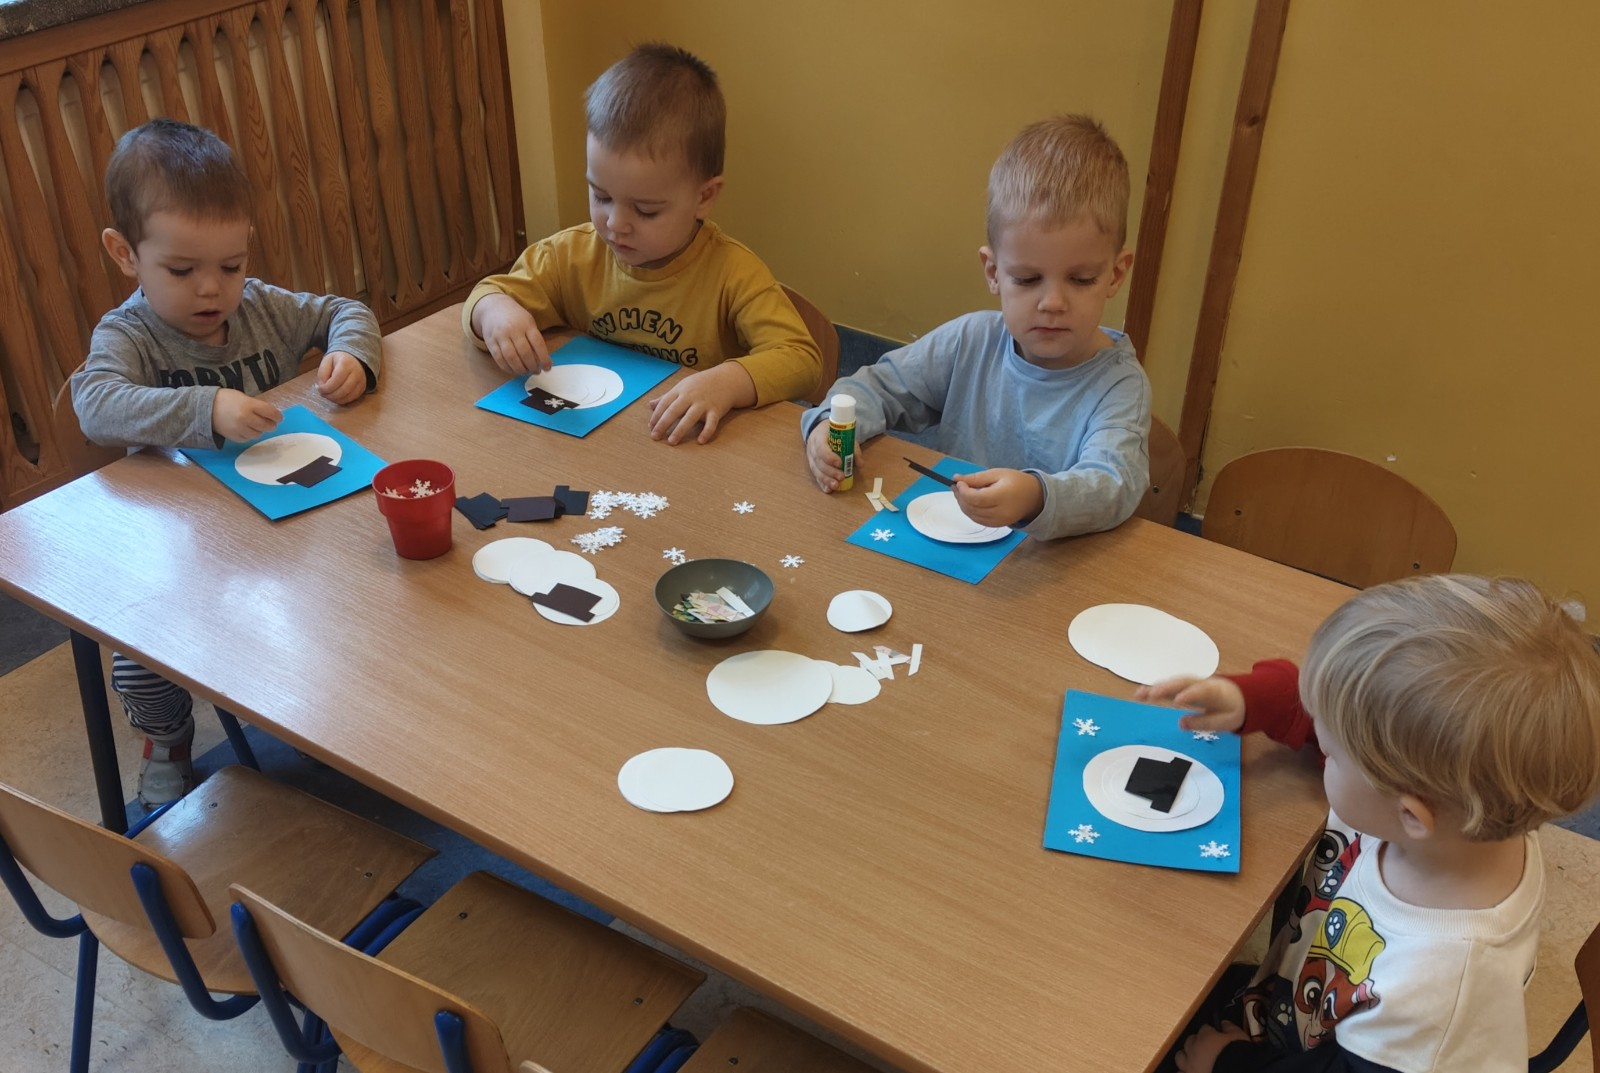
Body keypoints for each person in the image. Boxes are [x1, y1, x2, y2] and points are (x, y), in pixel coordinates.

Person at [1137, 575, 1600, 1073]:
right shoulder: (1472, 812)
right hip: (1304, 1002)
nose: (1321, 746)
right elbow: (1369, 727)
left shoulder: (1435, 990)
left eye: (1332, 753)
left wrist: (1230, 1064)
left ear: (1411, 812)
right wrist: (1252, 700)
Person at [70, 118, 382, 806]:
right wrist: (206, 407)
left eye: (231, 267)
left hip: (286, 524)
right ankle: (168, 739)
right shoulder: (128, 333)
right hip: (183, 546)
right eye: (182, 271)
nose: (211, 290)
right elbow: (94, 404)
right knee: (142, 658)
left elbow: (344, 309)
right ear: (125, 254)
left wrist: (351, 355)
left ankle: (321, 708)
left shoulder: (262, 308)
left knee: (356, 590)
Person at [799, 114, 1150, 539]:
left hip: (1047, 567)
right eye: (1027, 279)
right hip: (951, 547)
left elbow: (1114, 484)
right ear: (994, 272)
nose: (1053, 303)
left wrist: (1037, 496)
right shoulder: (970, 341)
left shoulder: (1120, 385)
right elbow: (875, 387)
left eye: (1081, 279)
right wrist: (828, 427)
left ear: (1115, 275)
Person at [463, 43, 821, 445]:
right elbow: (488, 293)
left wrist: (728, 381)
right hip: (596, 443)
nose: (615, 224)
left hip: (684, 447)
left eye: (646, 210)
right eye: (601, 196)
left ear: (704, 197)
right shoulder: (569, 256)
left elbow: (802, 358)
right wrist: (494, 313)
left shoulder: (733, 273)